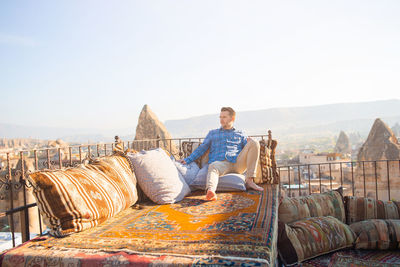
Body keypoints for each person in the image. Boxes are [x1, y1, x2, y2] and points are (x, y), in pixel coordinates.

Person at [180, 107, 263, 201]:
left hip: (238, 163)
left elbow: (248, 150)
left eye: (224, 117)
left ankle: (250, 180)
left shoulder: (241, 133)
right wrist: (187, 159)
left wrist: (250, 142)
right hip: (221, 164)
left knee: (254, 142)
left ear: (232, 118)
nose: (221, 120)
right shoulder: (213, 133)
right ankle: (210, 191)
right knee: (213, 166)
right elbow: (201, 148)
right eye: (220, 117)